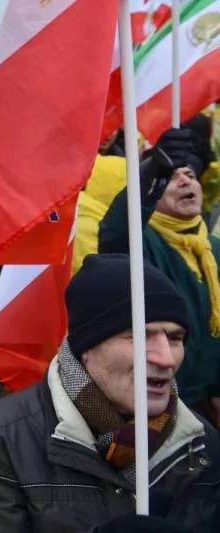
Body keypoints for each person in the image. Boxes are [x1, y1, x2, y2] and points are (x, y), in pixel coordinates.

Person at [0, 254, 220, 531]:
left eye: (175, 338)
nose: (167, 358)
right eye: (140, 336)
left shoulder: (201, 443)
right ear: (86, 349)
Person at [99, 128, 220, 424]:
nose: (186, 180)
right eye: (172, 177)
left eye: (191, 175)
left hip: (199, 406)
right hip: (149, 400)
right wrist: (148, 175)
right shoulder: (143, 239)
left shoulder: (213, 248)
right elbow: (115, 236)